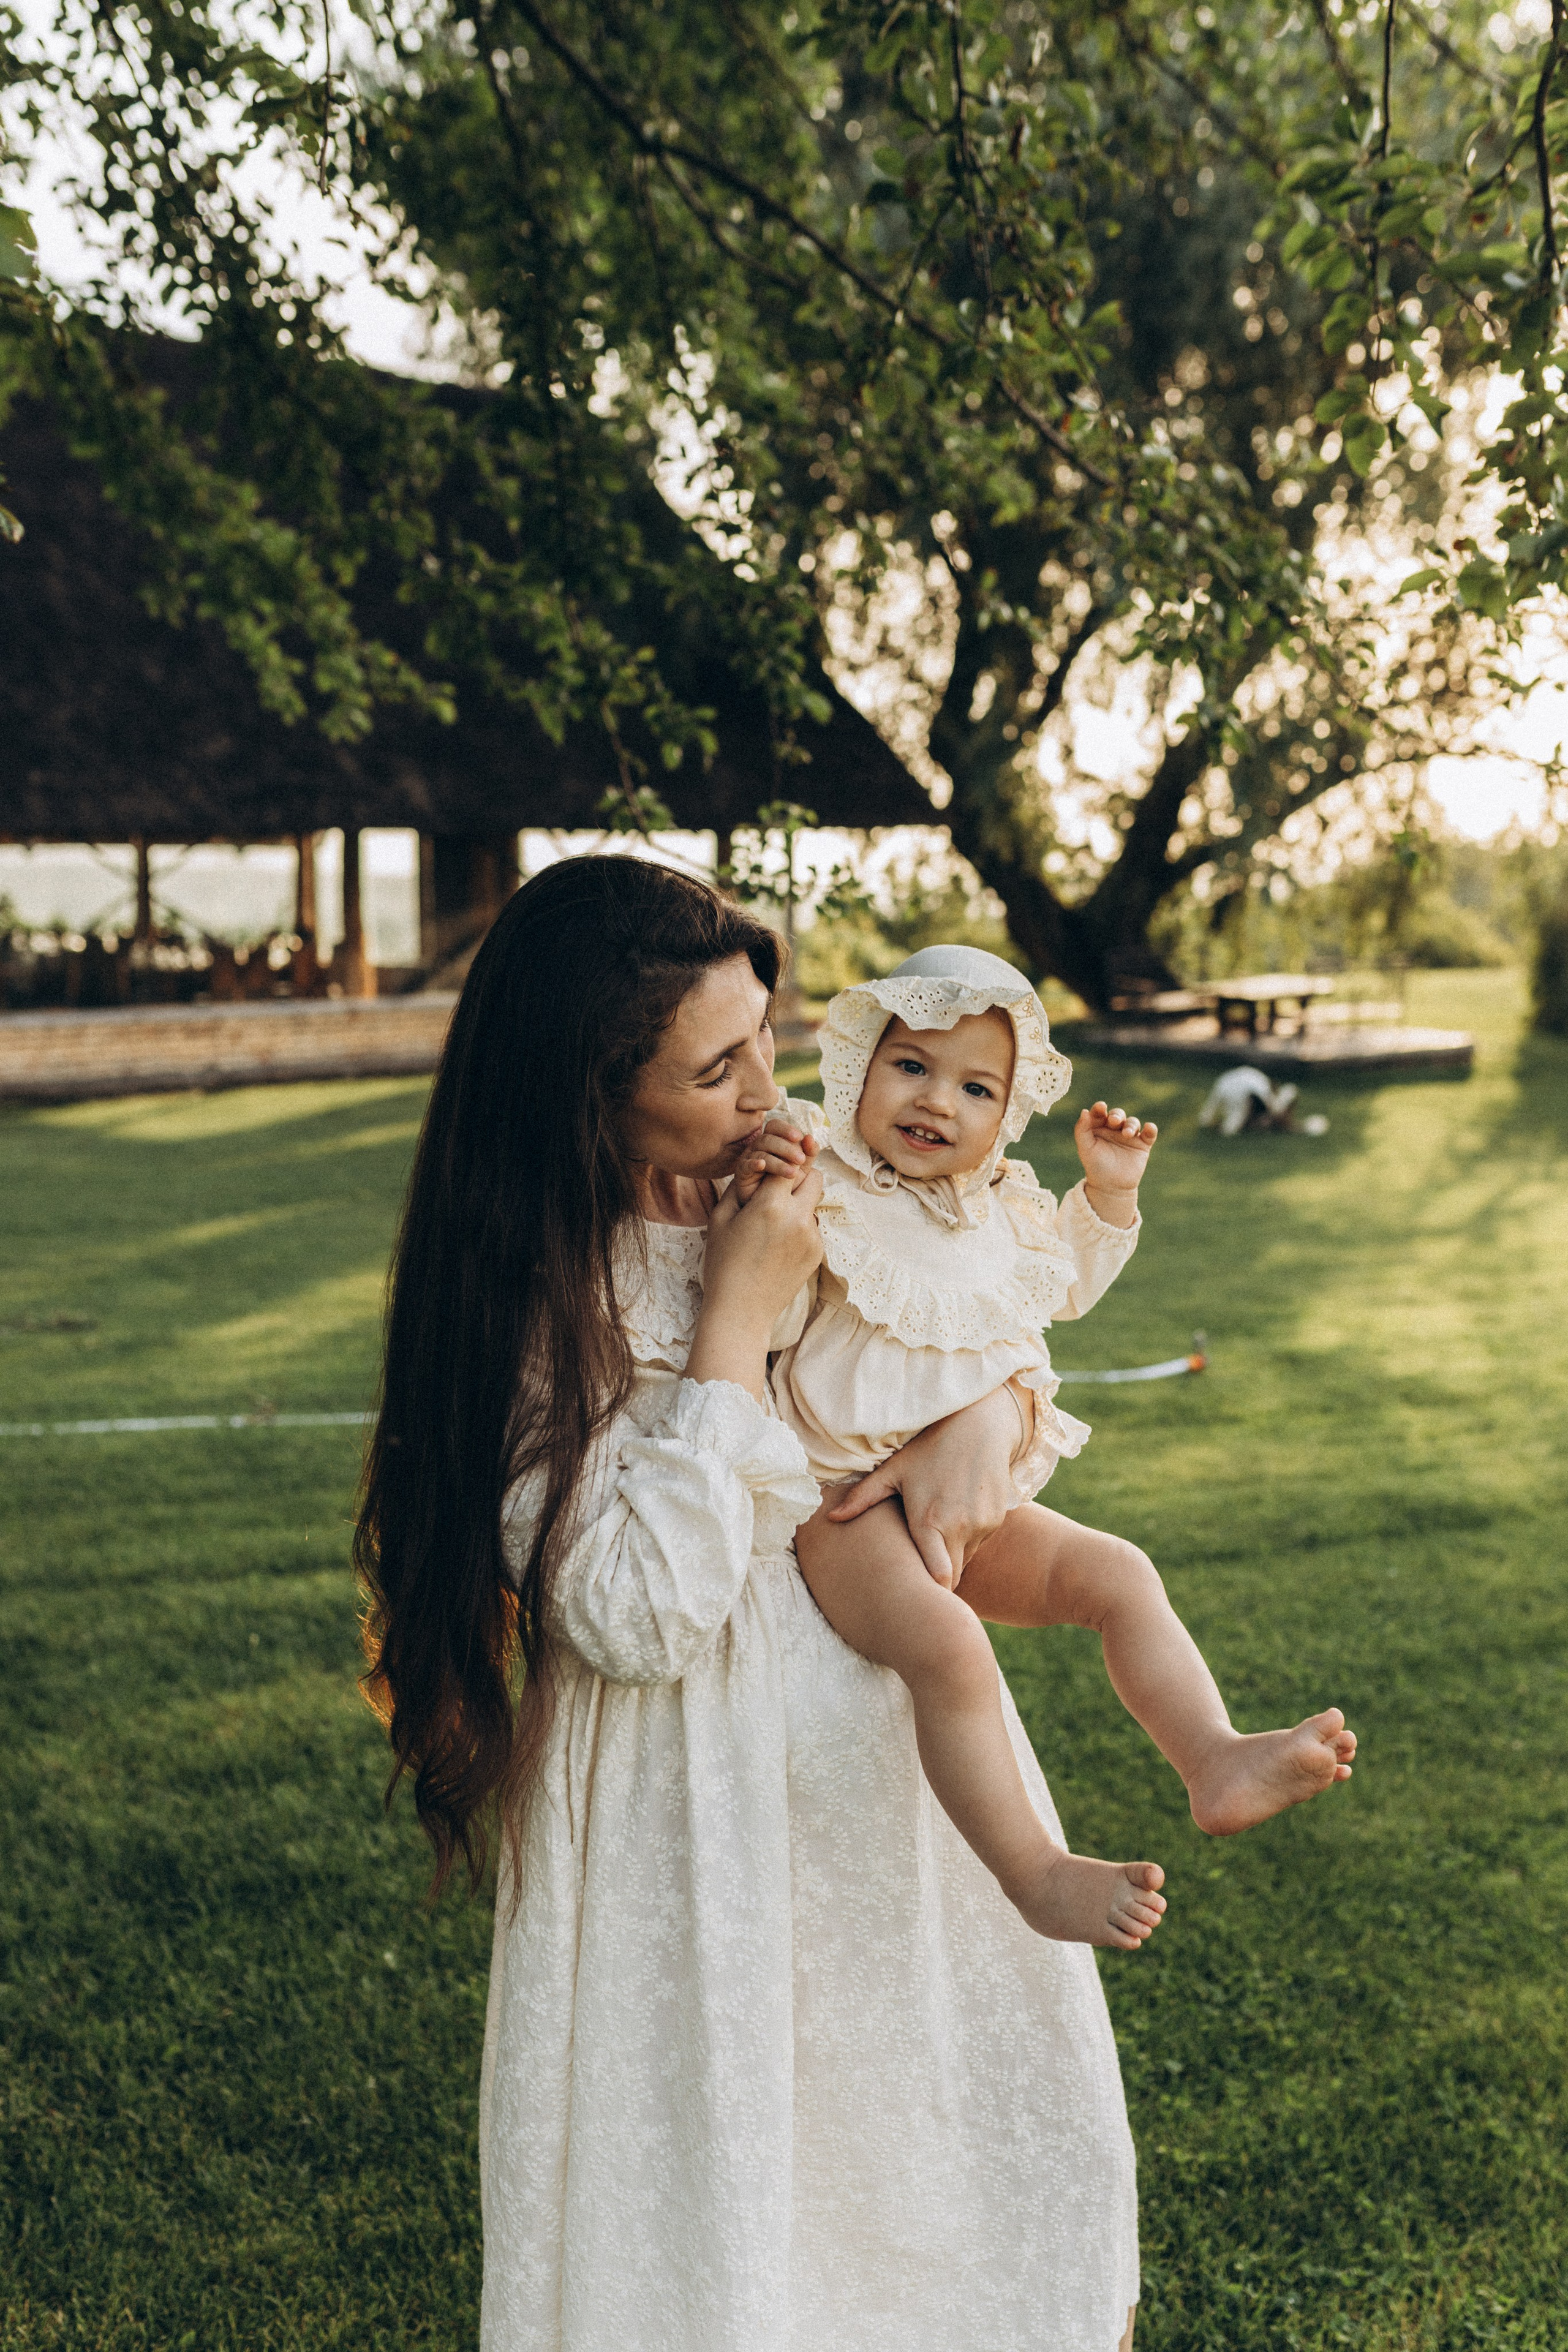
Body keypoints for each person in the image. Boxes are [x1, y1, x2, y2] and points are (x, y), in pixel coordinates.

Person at [356, 860, 1143, 2352]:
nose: (763, 1093)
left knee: (944, 2175)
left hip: (878, 1764)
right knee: (733, 2226)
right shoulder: (526, 1295)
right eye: (714, 1070)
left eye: (764, 1041)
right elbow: (633, 1615)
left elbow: (960, 1315)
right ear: (585, 1096)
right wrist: (730, 1312)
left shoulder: (806, 1180)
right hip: (684, 1821)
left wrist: (987, 1417)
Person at [738, 948, 1356, 1950]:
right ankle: (1034, 1871)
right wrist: (771, 1179)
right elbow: (761, 1310)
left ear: (1008, 1111)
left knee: (1117, 1571)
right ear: (859, 1068)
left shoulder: (1004, 1209)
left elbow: (1064, 1287)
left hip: (971, 1504)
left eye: (976, 1086)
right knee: (950, 1648)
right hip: (841, 1507)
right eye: (912, 1067)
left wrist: (1108, 1192)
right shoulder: (834, 1186)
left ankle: (1214, 1759)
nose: (938, 1100)